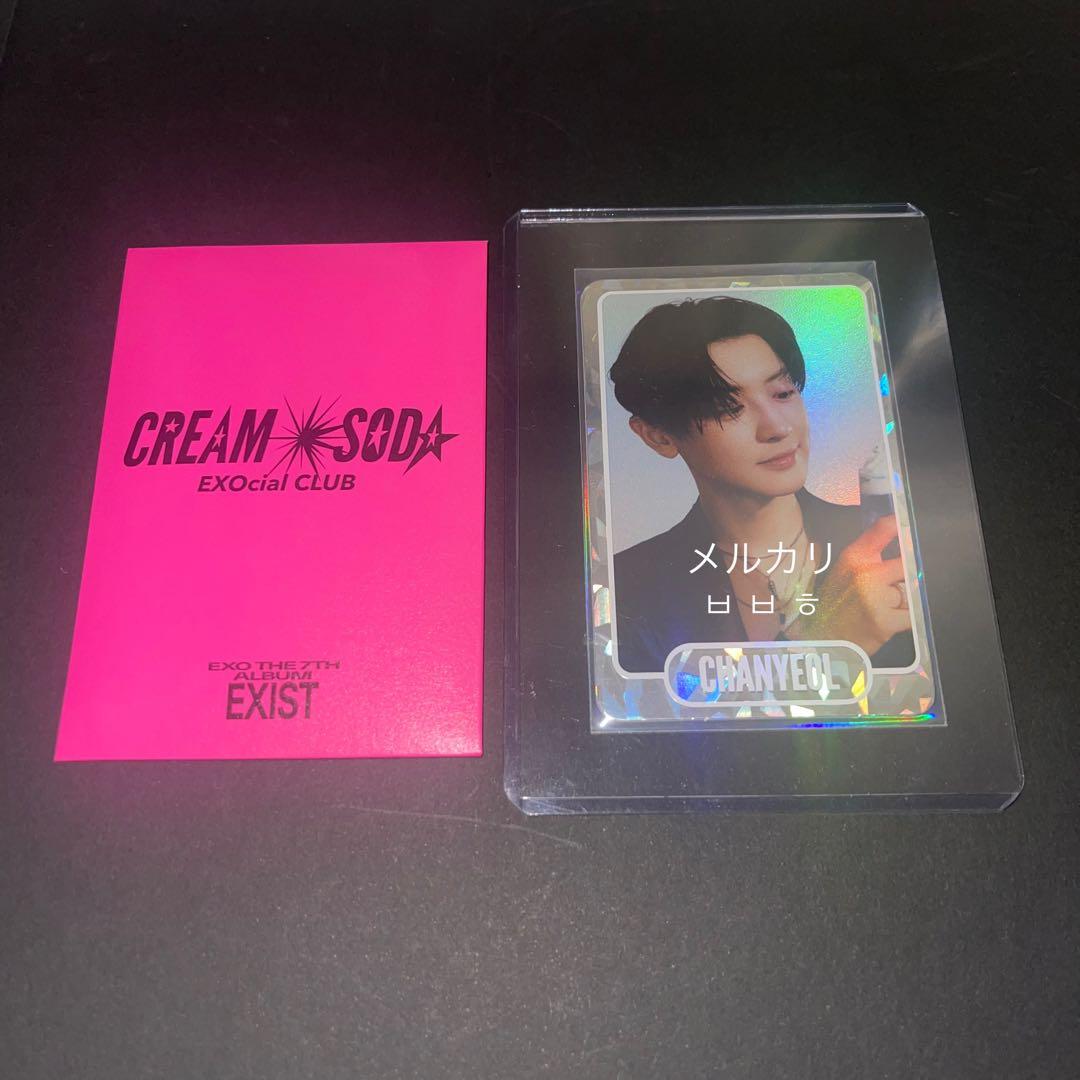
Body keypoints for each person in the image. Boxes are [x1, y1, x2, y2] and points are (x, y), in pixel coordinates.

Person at [609, 296, 914, 674]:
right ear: (658, 436)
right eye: (726, 408)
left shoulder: (889, 543)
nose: (777, 427)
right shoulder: (626, 589)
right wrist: (821, 638)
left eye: (783, 393)